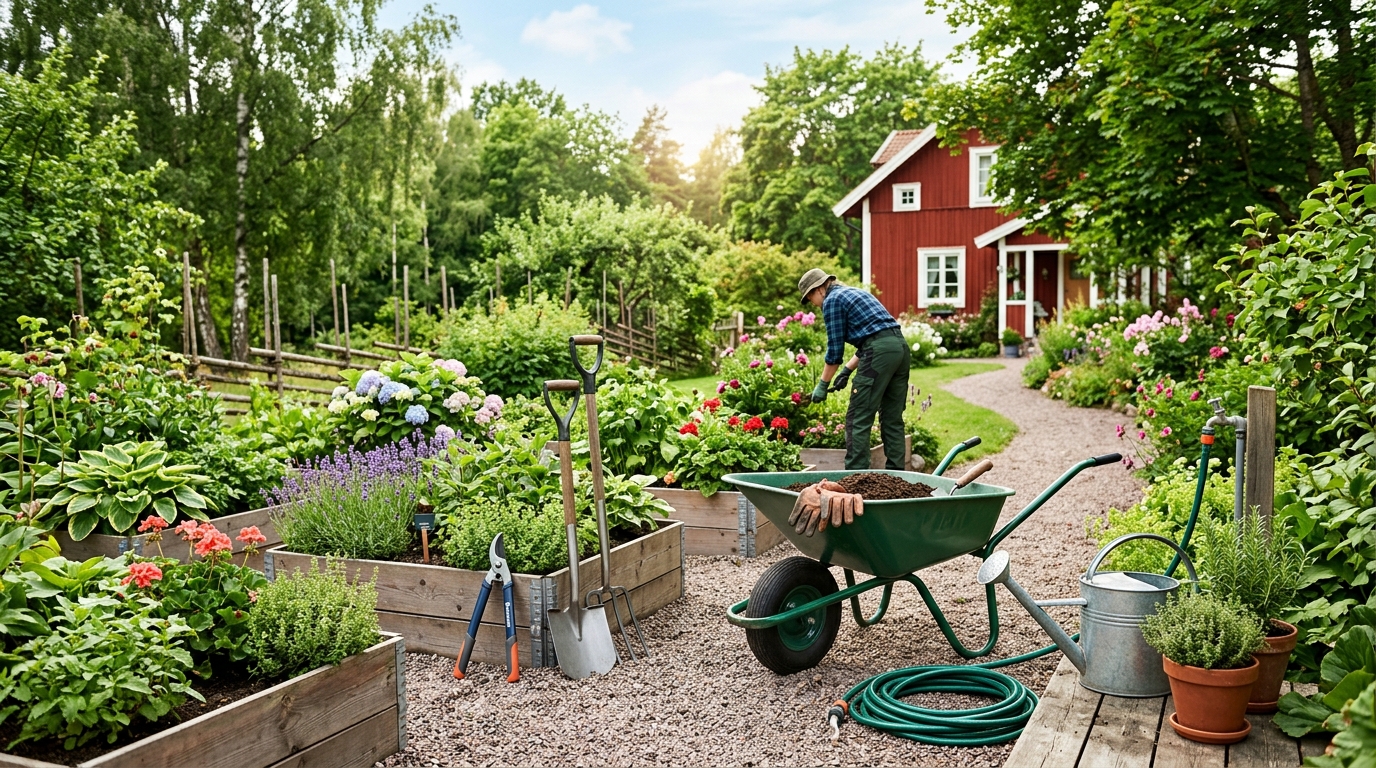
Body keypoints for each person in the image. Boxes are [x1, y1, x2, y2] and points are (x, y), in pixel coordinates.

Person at [797, 268, 910, 471]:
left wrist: (823, 384)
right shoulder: (855, 292)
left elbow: (834, 351)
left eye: (810, 297)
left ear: (820, 288)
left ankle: (857, 477)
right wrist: (847, 371)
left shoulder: (831, 301)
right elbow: (875, 336)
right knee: (892, 418)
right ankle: (897, 477)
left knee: (858, 417)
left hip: (879, 353)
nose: (813, 304)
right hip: (899, 348)